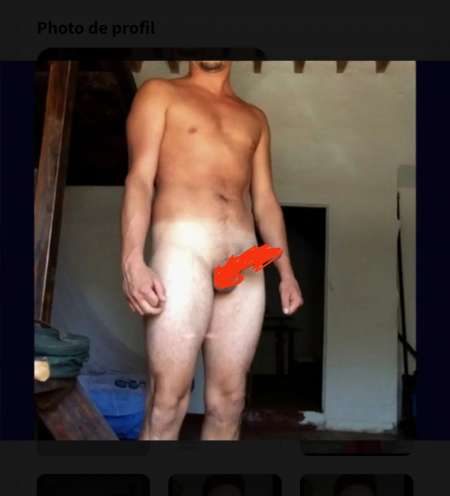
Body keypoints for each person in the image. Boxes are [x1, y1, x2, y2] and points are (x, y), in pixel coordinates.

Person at [121, 60, 303, 440]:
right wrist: (132, 259)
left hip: (245, 257)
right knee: (168, 400)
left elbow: (265, 201)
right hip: (184, 247)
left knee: (231, 401)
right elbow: (139, 178)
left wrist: (286, 272)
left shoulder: (255, 118)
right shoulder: (160, 93)